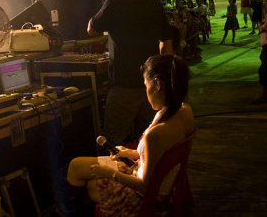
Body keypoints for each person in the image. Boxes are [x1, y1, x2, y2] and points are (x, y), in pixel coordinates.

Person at [67, 54, 195, 217]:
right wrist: (129, 153)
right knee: (77, 166)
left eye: (145, 84)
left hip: (144, 197)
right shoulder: (184, 111)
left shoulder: (156, 134)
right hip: (152, 178)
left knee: (86, 181)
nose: (145, 91)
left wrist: (110, 174)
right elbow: (159, 155)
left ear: (156, 83)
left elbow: (145, 186)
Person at [87, 0, 173, 146]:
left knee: (112, 141)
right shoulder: (153, 2)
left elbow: (92, 29)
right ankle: (146, 173)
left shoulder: (116, 0)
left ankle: (116, 174)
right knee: (149, 138)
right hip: (151, 85)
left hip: (124, 85)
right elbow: (167, 41)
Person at [253, 0, 267, 103]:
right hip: (266, 44)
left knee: (265, 69)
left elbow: (266, 28)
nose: (266, 0)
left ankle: (264, 95)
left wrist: (262, 27)